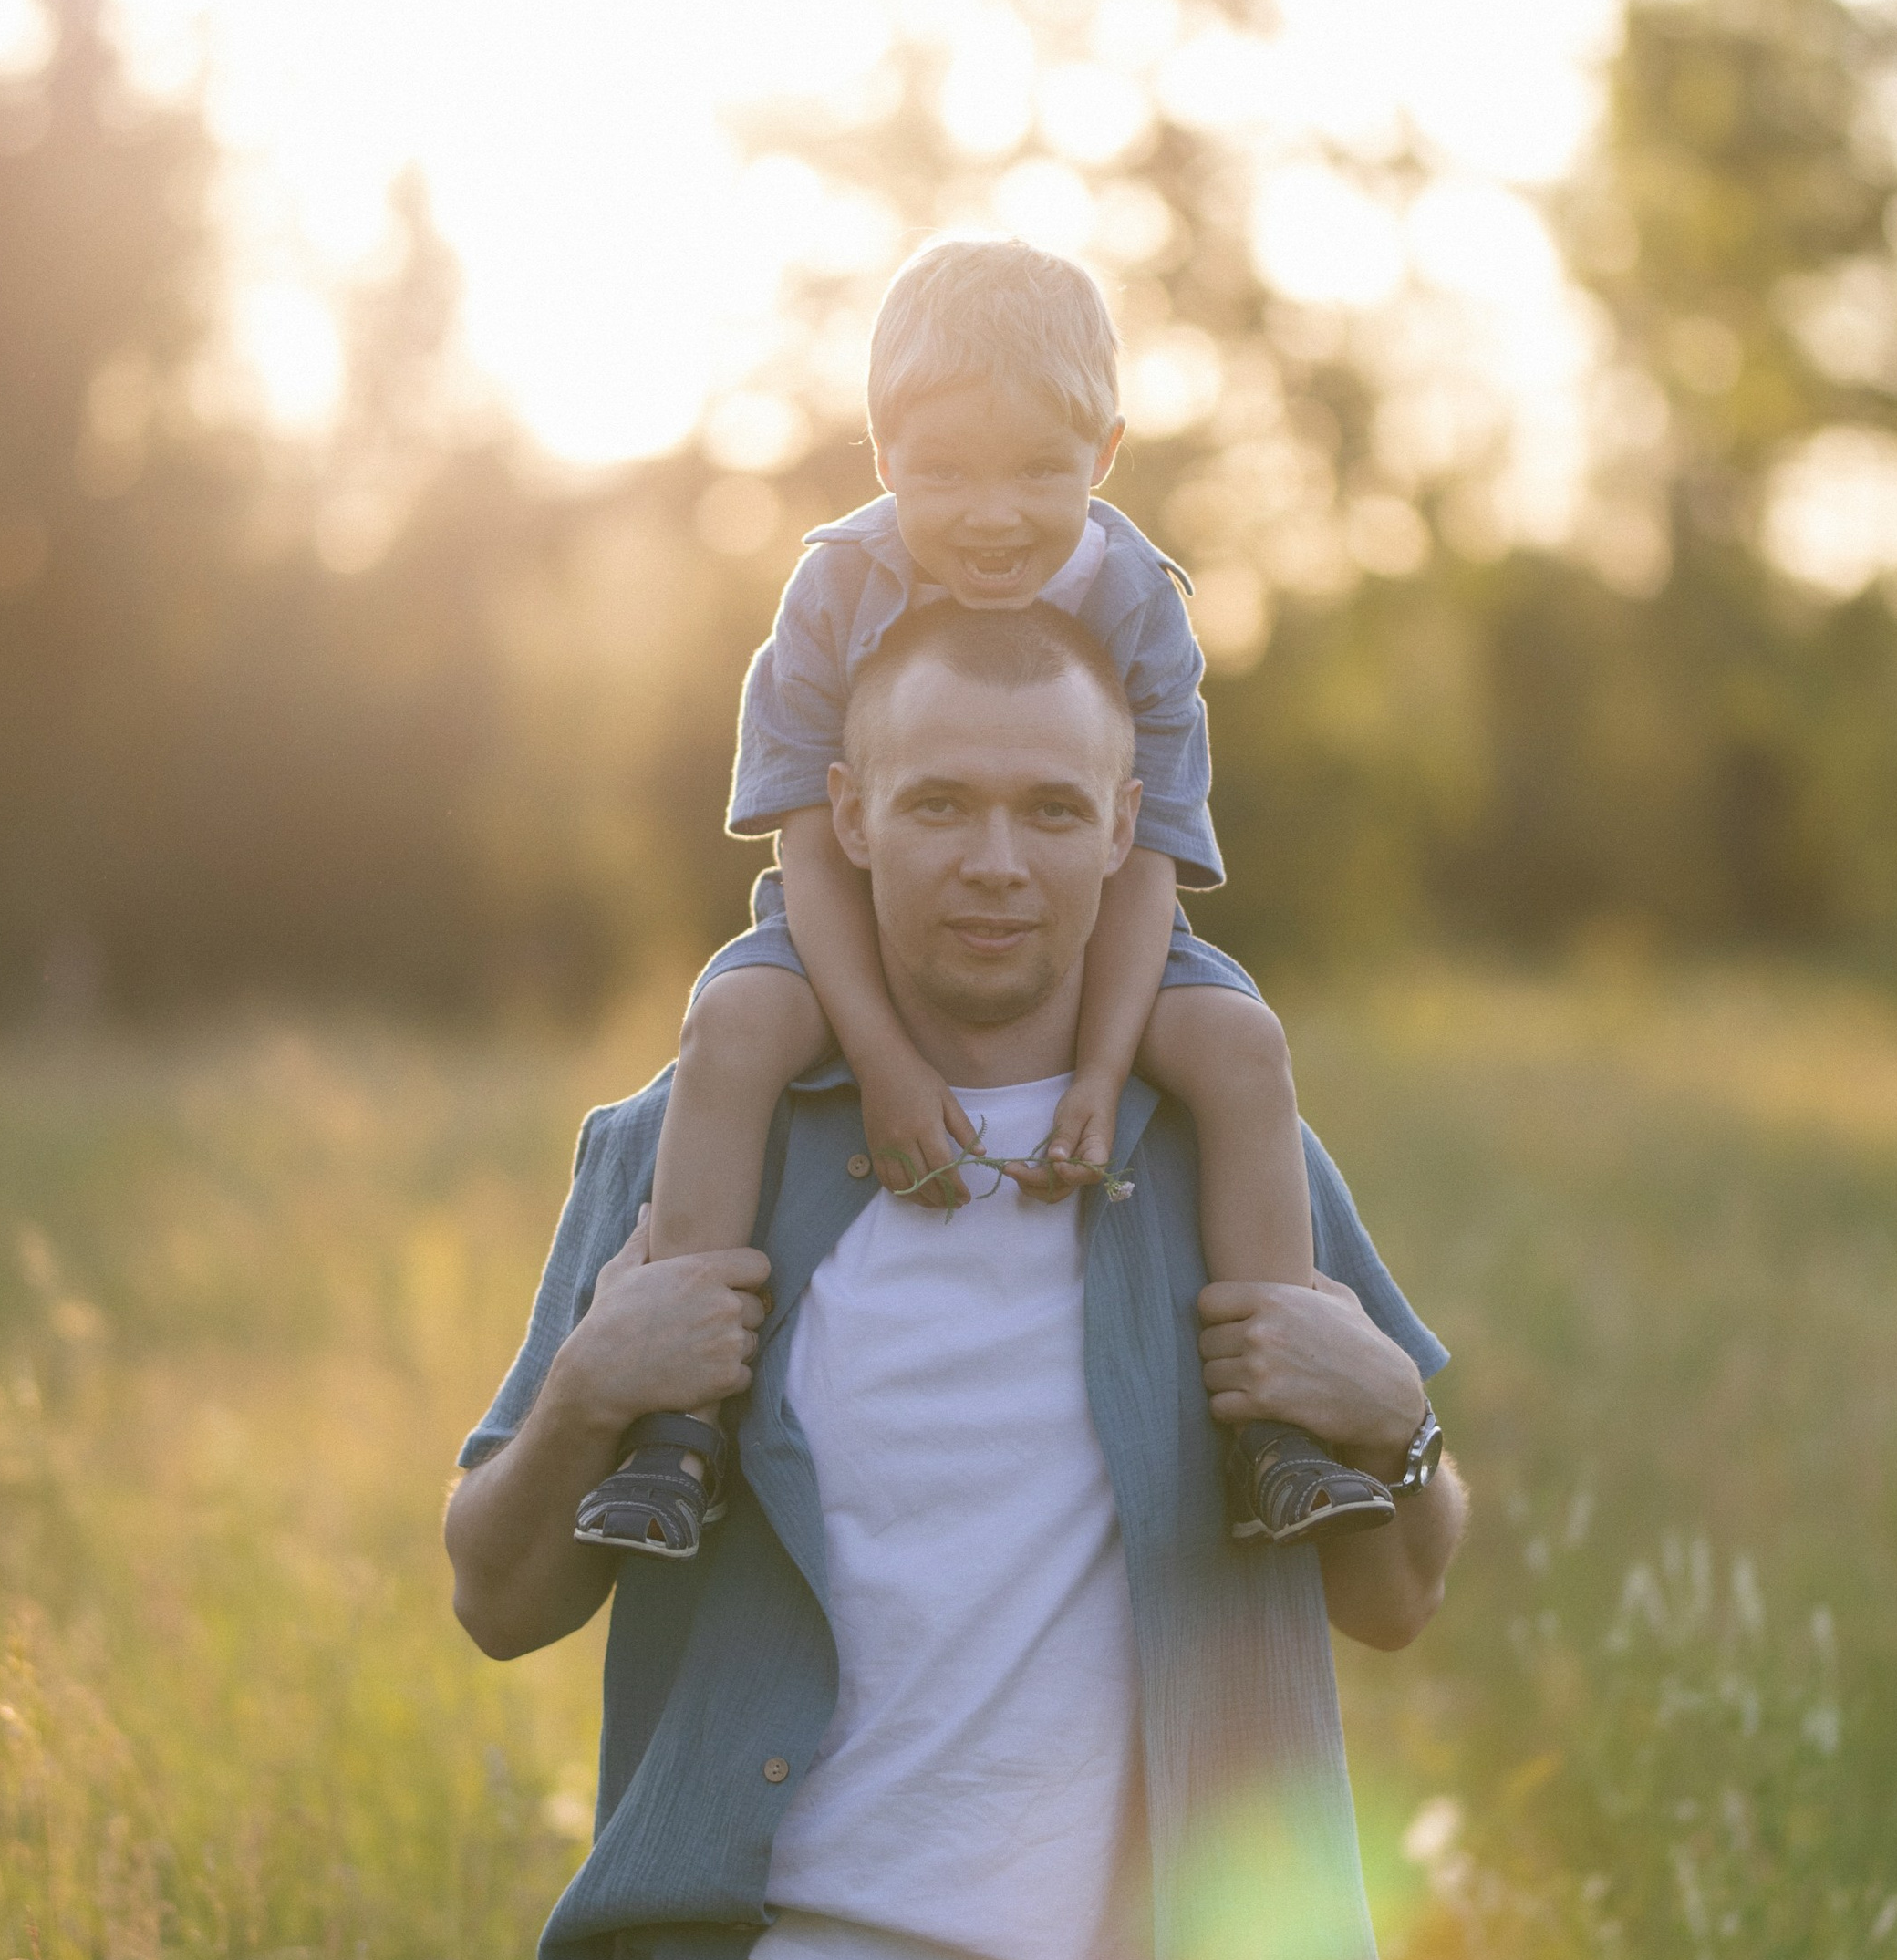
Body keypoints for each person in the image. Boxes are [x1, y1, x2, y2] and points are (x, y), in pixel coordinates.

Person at [445, 595, 1466, 1960]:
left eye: (1043, 810)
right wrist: (588, 1392)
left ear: (1124, 842)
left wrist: (1399, 1427)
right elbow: (495, 1587)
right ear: (846, 816)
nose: (990, 858)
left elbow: (1393, 1585)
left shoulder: (1230, 1157)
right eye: (935, 806)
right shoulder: (683, 1151)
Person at [572, 232, 1392, 1563]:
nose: (993, 514)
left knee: (1240, 1045)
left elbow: (1144, 859)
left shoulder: (1139, 606)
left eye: (1038, 472)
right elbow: (809, 848)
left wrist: (1102, 1067)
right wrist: (884, 1062)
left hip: (1103, 924)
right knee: (731, 1031)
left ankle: (1273, 1434)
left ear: (1107, 456)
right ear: (883, 455)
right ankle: (678, 1433)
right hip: (845, 908)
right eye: (943, 472)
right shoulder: (835, 586)